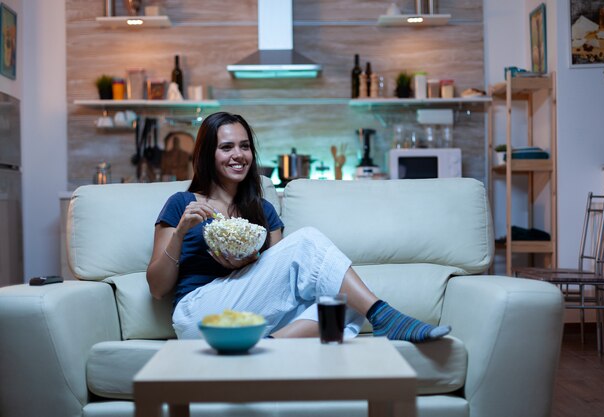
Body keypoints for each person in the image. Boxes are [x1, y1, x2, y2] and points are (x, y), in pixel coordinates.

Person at [147, 111, 451, 342]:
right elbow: (158, 288)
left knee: (343, 303)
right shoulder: (182, 204)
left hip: (252, 316)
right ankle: (385, 316)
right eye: (226, 147)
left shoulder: (263, 212)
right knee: (307, 241)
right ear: (207, 155)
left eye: (245, 146)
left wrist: (250, 260)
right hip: (200, 313)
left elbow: (281, 278)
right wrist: (180, 233)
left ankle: (270, 346)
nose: (238, 155)